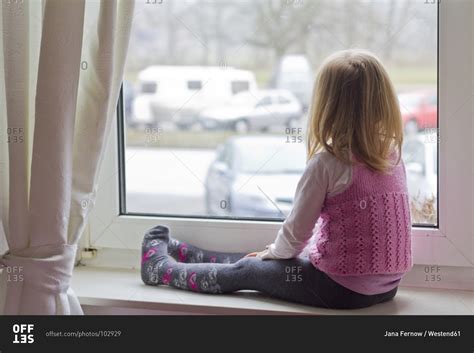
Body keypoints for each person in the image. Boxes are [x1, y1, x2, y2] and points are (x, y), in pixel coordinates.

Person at [140, 49, 412, 309]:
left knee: (250, 269)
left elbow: (295, 236)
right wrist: (271, 254)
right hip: (387, 287)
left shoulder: (327, 163)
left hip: (339, 289)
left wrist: (272, 254)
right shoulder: (392, 155)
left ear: (326, 107)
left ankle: (162, 270)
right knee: (263, 259)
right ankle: (192, 255)